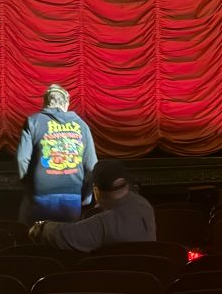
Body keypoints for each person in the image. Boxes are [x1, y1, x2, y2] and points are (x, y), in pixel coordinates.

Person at [28, 159, 155, 251]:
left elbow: (63, 235)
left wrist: (40, 226)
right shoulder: (144, 205)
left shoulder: (102, 223)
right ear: (126, 184)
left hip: (111, 282)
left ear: (96, 190)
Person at [17, 84, 97, 224]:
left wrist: (28, 185)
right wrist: (87, 196)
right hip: (72, 194)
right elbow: (91, 165)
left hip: (41, 193)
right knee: (67, 240)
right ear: (66, 104)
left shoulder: (33, 121)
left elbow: (22, 158)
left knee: (37, 238)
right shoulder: (82, 125)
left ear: (46, 103)